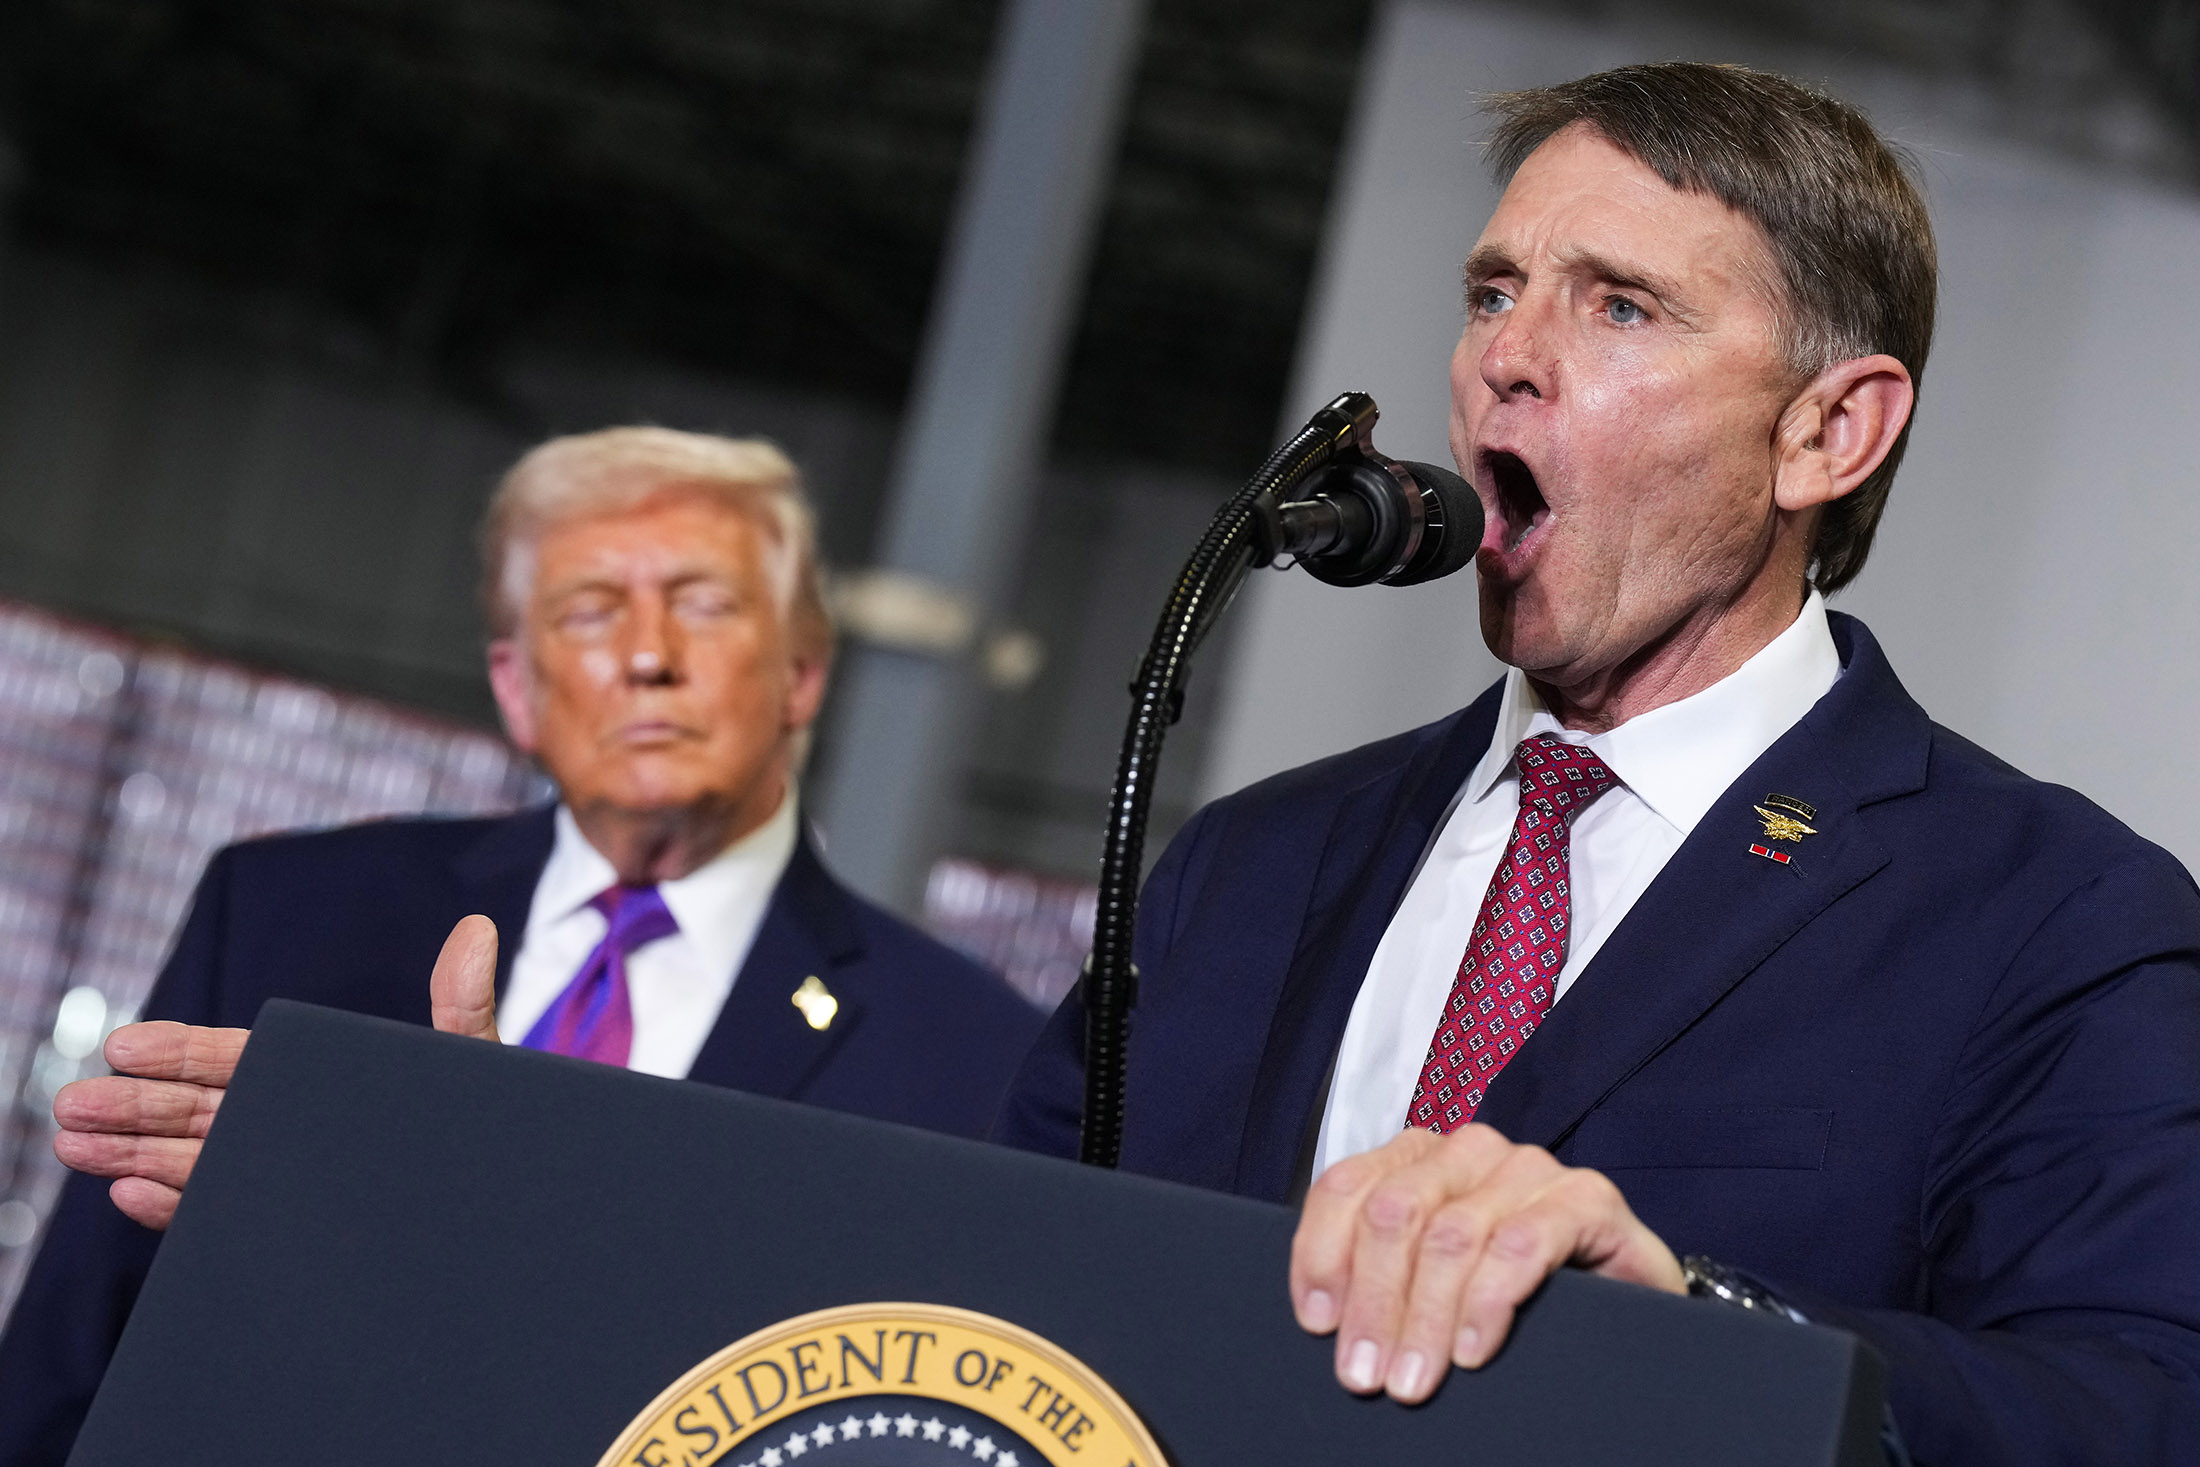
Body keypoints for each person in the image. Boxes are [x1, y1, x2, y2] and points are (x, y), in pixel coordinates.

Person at [43, 64, 2200, 1465]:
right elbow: (957, 1314)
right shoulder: (1250, 868)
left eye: (1619, 307)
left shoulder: (2056, 922)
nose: (1502, 357)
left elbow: (2132, 1402)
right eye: (1488, 287)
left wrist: (1699, 1324)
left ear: (1830, 430)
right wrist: (490, 1192)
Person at [0, 427, 1044, 1464]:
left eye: (704, 604)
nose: (648, 657)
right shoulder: (290, 913)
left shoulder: (966, 1053)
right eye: (590, 612)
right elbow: (80, 1338)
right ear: (517, 689)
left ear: (802, 676)